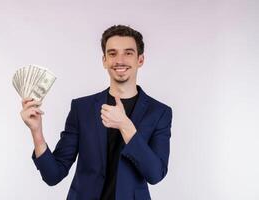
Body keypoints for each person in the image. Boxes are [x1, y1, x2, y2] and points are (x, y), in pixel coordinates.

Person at [20, 25, 172, 200]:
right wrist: (36, 132)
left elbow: (155, 174)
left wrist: (125, 126)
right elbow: (53, 176)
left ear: (140, 60)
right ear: (104, 60)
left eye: (128, 53)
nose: (120, 60)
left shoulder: (159, 112)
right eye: (113, 53)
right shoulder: (82, 108)